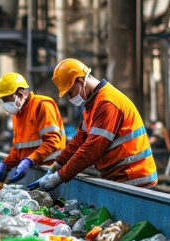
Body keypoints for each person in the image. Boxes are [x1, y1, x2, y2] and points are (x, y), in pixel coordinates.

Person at [29, 58, 157, 191]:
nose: (70, 98)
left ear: (80, 81)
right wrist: (55, 167)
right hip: (122, 177)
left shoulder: (107, 103)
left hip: (133, 179)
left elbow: (92, 149)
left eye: (70, 93)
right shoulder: (93, 104)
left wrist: (59, 177)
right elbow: (79, 140)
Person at [0, 72, 67, 186]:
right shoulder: (17, 113)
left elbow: (53, 141)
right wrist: (6, 165)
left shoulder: (42, 105)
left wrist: (29, 161)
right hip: (36, 170)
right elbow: (19, 148)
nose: (5, 104)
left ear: (20, 94)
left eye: (6, 99)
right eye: (3, 100)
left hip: (52, 171)